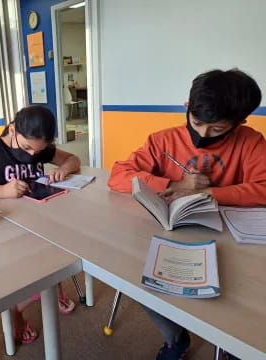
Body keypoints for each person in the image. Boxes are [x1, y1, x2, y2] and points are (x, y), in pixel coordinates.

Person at [108, 68, 264, 360]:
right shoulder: (162, 140)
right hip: (171, 235)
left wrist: (209, 193)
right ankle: (175, 338)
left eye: (217, 129)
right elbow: (118, 175)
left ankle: (232, 347)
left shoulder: (251, 141)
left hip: (231, 240)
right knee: (134, 275)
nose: (203, 135)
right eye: (197, 122)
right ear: (187, 107)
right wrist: (173, 184)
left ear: (239, 122)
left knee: (240, 296)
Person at [0, 105, 81, 344]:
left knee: (57, 249)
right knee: (16, 274)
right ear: (12, 129)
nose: (33, 155)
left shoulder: (39, 147)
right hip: (4, 227)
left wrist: (62, 170)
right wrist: (2, 190)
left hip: (38, 222)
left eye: (39, 150)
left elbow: (74, 159)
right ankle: (18, 313)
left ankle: (54, 288)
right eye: (26, 148)